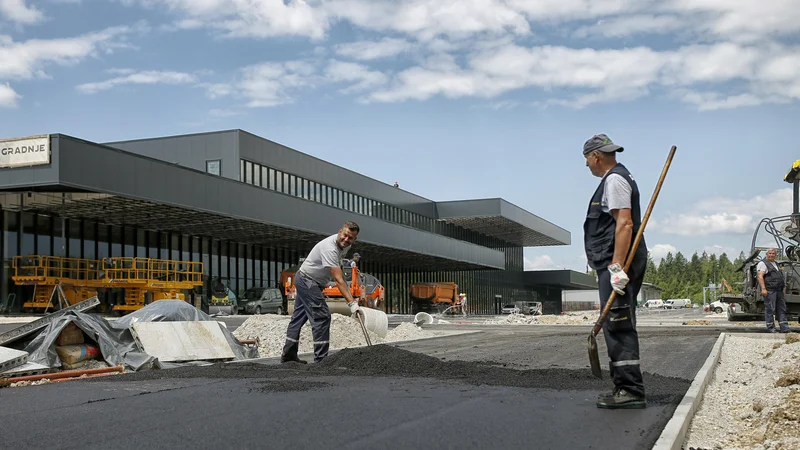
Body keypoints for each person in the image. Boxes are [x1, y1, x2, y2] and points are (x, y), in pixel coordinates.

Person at [582, 133, 648, 410]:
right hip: (614, 262)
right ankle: (624, 386)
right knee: (614, 322)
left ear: (595, 156)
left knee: (618, 323)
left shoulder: (614, 180)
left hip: (618, 262)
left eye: (587, 161)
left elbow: (625, 224)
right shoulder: (615, 179)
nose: (588, 167)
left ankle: (631, 390)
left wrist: (617, 267)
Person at [281, 221, 361, 364]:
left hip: (309, 281)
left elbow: (339, 265)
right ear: (339, 232)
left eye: (350, 238)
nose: (346, 239)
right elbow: (338, 279)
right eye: (345, 235)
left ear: (354, 240)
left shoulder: (345, 246)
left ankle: (288, 356)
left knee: (298, 318)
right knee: (322, 317)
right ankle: (321, 361)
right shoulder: (329, 248)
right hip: (307, 280)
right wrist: (352, 303)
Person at [757, 248, 789, 333]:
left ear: (775, 255)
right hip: (770, 290)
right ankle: (771, 328)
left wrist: (783, 289)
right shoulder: (763, 264)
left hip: (779, 290)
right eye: (770, 253)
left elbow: (780, 277)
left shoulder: (776, 264)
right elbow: (760, 276)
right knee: (770, 309)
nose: (771, 255)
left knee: (781, 309)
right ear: (766, 254)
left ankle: (784, 328)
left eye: (773, 253)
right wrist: (763, 289)